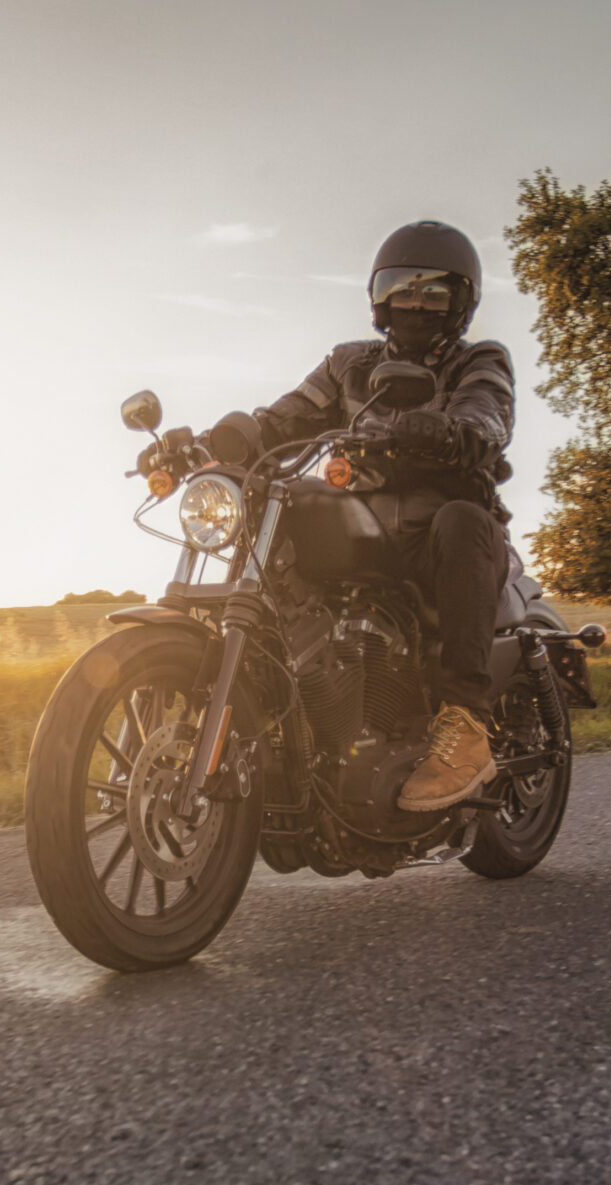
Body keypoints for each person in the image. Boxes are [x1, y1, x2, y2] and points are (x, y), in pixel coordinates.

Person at [207, 220, 514, 811]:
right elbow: (281, 420)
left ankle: (466, 726)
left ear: (461, 303)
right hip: (366, 534)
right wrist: (213, 443)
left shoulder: (480, 361)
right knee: (291, 502)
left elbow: (487, 419)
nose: (415, 304)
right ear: (379, 297)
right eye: (402, 288)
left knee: (461, 519)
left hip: (440, 540)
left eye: (433, 293)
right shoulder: (349, 364)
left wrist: (446, 428)